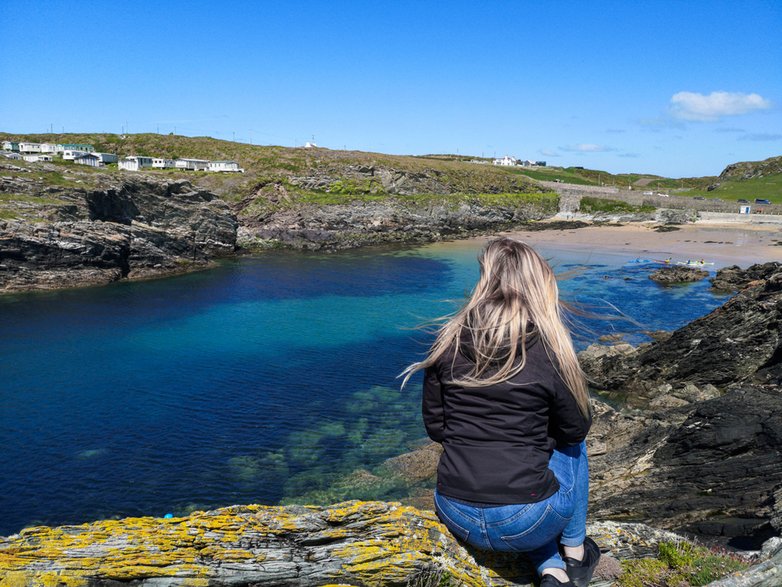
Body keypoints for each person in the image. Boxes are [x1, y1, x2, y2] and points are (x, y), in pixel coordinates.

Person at [401, 237, 600, 587]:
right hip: (528, 520)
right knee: (573, 449)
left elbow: (437, 429)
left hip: (456, 513)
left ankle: (549, 567)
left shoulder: (447, 342)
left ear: (485, 279)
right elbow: (574, 432)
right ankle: (575, 553)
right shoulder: (548, 348)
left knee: (512, 514)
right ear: (539, 283)